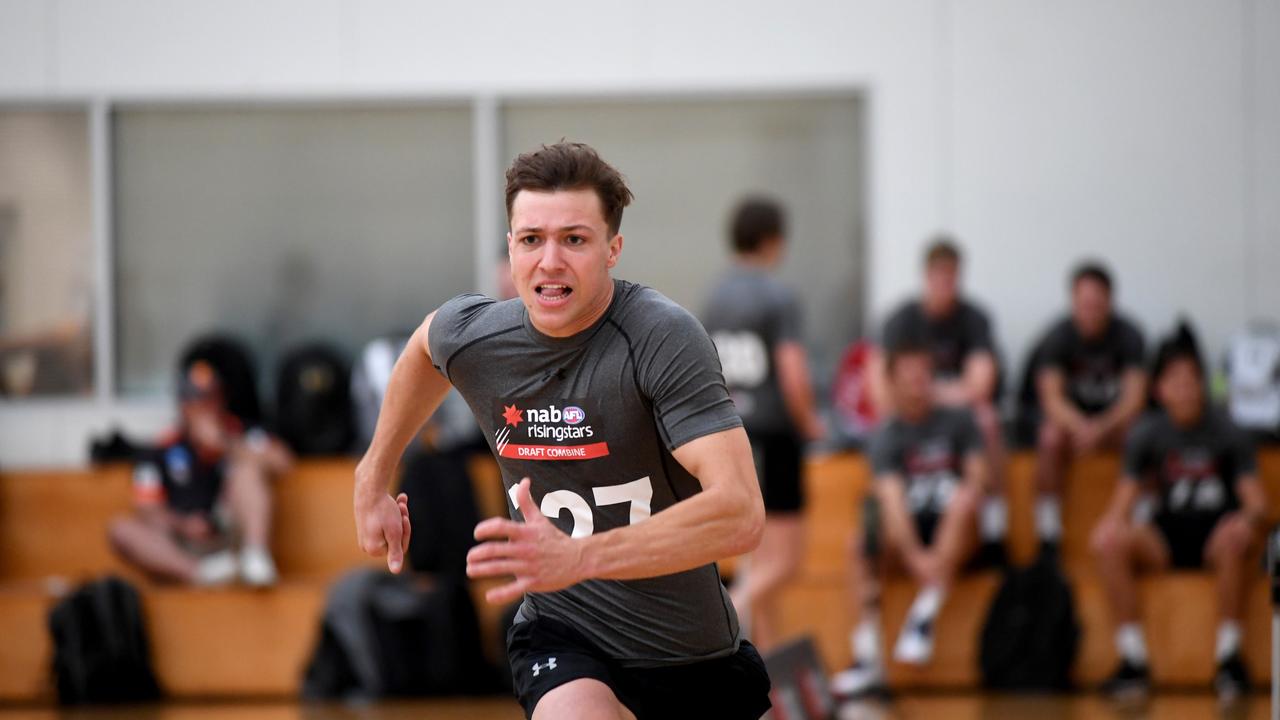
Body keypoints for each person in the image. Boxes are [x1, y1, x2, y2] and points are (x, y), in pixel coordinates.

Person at [353, 142, 771, 720]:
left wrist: (582, 559)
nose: (550, 261)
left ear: (612, 249)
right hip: (563, 637)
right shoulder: (481, 336)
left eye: (574, 239)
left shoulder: (662, 338)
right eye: (531, 240)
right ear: (511, 248)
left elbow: (740, 512)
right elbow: (426, 345)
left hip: (693, 658)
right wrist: (373, 473)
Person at [1091, 325, 1265, 702]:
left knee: (1237, 537)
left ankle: (1230, 659)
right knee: (1111, 542)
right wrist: (1108, 526)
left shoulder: (1229, 429)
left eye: (1192, 380)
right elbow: (1124, 499)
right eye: (1176, 381)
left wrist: (1245, 520)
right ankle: (1132, 660)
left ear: (1203, 384)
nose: (1185, 389)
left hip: (1214, 536)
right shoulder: (1148, 432)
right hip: (1165, 536)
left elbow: (1257, 502)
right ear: (1160, 389)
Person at [702, 196, 825, 652]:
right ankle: (721, 616)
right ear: (774, 240)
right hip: (774, 435)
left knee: (759, 561)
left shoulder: (714, 297)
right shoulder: (778, 296)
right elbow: (792, 373)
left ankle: (767, 679)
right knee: (786, 561)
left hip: (731, 432)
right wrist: (812, 423)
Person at [833, 339, 986, 698]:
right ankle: (867, 658)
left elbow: (978, 479)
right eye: (909, 376)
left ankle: (923, 615)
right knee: (859, 543)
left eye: (924, 374)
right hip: (912, 537)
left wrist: (929, 556)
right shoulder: (887, 434)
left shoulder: (960, 419)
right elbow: (890, 498)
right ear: (893, 382)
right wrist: (917, 556)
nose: (919, 382)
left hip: (960, 532)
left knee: (965, 499)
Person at [871, 238, 1006, 563]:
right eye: (938, 276)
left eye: (952, 277)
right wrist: (912, 397)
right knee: (884, 427)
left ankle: (995, 524)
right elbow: (877, 384)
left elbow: (981, 384)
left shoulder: (973, 318)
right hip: (912, 413)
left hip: (953, 416)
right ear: (926, 276)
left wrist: (925, 391)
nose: (945, 284)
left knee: (987, 418)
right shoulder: (901, 319)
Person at [108, 360, 291, 586]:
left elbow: (282, 460)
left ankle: (254, 557)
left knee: (248, 472)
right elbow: (148, 509)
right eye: (197, 400)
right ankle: (200, 574)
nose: (206, 407)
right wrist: (184, 524)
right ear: (183, 406)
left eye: (211, 398)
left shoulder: (241, 433)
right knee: (121, 529)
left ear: (222, 399)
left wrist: (225, 445)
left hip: (229, 536)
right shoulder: (161, 449)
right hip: (183, 544)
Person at [1034, 263, 1147, 557]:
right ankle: (1049, 530)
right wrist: (1082, 426)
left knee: (1143, 434)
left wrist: (1101, 427)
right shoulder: (1056, 336)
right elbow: (1051, 398)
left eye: (1097, 303)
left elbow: (1134, 399)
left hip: (1112, 425)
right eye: (1084, 303)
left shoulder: (1129, 335)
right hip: (1074, 427)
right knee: (1049, 436)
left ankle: (1145, 518)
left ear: (1110, 301)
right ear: (1073, 301)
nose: (1091, 310)